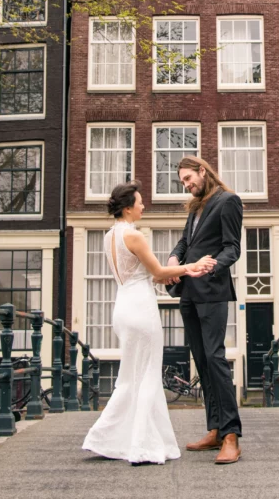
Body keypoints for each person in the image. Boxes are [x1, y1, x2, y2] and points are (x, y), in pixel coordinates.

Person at [81, 181, 215, 465]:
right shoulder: (134, 236)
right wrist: (192, 267)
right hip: (141, 309)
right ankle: (141, 446)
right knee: (148, 375)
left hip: (123, 307)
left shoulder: (109, 236)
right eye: (140, 202)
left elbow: (149, 274)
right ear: (128, 208)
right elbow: (157, 271)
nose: (144, 205)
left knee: (129, 377)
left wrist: (172, 272)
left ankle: (107, 439)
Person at [162, 156, 243, 465]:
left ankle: (232, 436)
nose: (187, 185)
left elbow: (232, 247)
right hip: (188, 293)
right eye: (183, 182)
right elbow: (185, 242)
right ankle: (214, 429)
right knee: (201, 361)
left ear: (202, 171)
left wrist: (212, 265)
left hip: (212, 290)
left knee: (215, 358)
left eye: (188, 178)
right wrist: (173, 260)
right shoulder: (196, 207)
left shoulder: (228, 201)